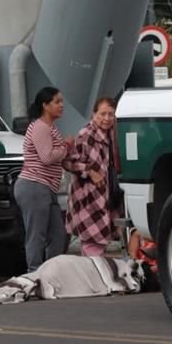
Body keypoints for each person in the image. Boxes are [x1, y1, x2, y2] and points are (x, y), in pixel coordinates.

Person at [14, 87, 74, 272]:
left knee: (57, 234)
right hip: (34, 185)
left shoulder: (50, 127)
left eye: (61, 101)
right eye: (57, 102)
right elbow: (46, 157)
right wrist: (66, 147)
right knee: (37, 233)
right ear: (45, 105)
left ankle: (52, 271)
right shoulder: (40, 127)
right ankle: (34, 273)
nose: (61, 105)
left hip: (47, 187)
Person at [64, 97, 119, 256]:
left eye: (110, 114)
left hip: (107, 196)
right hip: (88, 199)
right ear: (94, 114)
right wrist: (90, 172)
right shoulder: (86, 134)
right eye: (102, 114)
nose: (107, 118)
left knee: (98, 244)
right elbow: (68, 161)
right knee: (93, 244)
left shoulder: (113, 134)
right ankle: (93, 278)